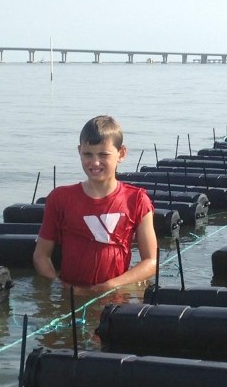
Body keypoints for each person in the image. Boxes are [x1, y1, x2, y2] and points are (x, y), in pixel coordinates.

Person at [33, 115, 157, 294]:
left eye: (103, 154)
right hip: (71, 294)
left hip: (115, 296)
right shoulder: (60, 198)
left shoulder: (137, 200)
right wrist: (60, 287)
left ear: (121, 154)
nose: (95, 162)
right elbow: (41, 256)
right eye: (88, 154)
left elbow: (151, 261)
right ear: (79, 151)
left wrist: (110, 287)